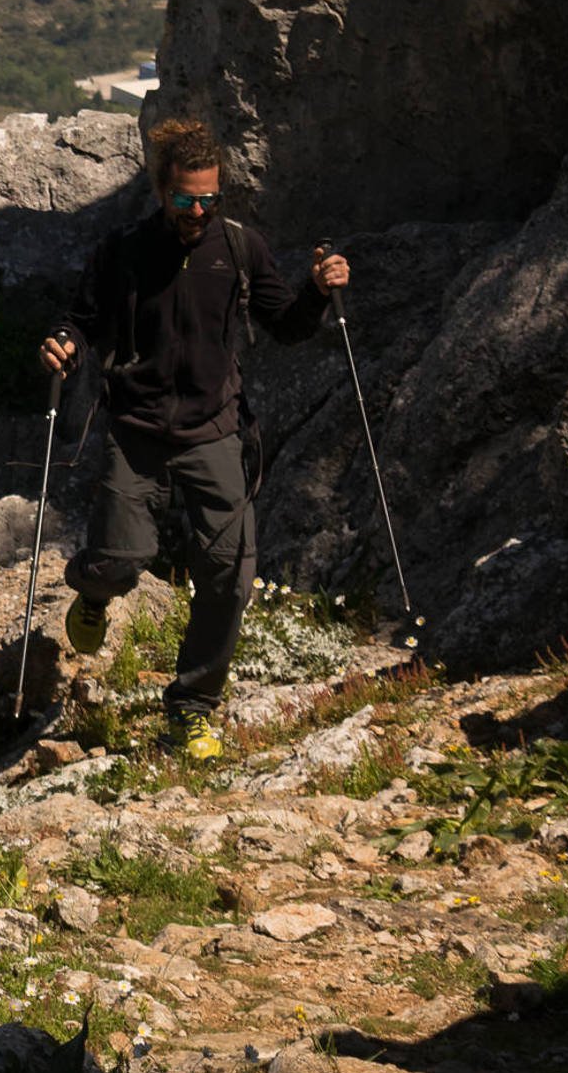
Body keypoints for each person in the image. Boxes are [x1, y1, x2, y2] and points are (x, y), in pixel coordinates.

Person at [40, 117, 351, 735]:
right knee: (120, 561)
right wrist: (63, 343)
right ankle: (93, 592)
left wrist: (317, 291)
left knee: (231, 577)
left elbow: (288, 324)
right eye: (186, 201)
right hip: (137, 428)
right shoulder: (123, 251)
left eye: (211, 199)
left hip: (215, 429)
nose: (199, 212)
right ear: (162, 191)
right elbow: (82, 319)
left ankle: (191, 707)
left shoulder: (240, 249)